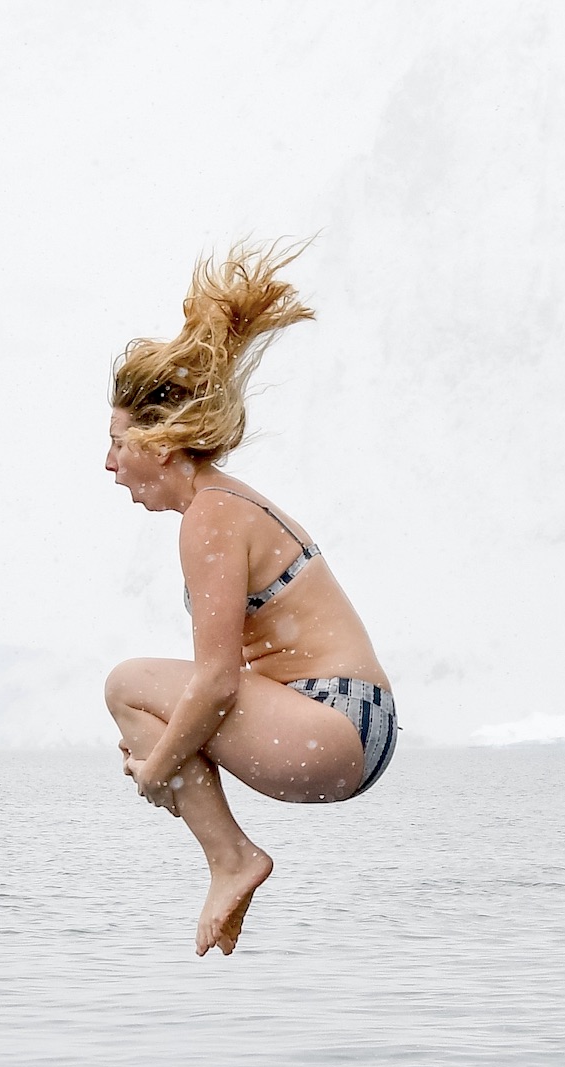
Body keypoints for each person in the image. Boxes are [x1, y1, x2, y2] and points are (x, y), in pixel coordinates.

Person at [103, 245, 398, 956]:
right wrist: (167, 755)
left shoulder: (211, 515)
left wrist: (156, 767)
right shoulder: (223, 509)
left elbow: (216, 680)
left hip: (337, 723)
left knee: (128, 687)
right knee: (153, 718)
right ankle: (229, 857)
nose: (109, 465)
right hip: (352, 725)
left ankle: (232, 859)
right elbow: (228, 674)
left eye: (117, 444)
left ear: (160, 443)